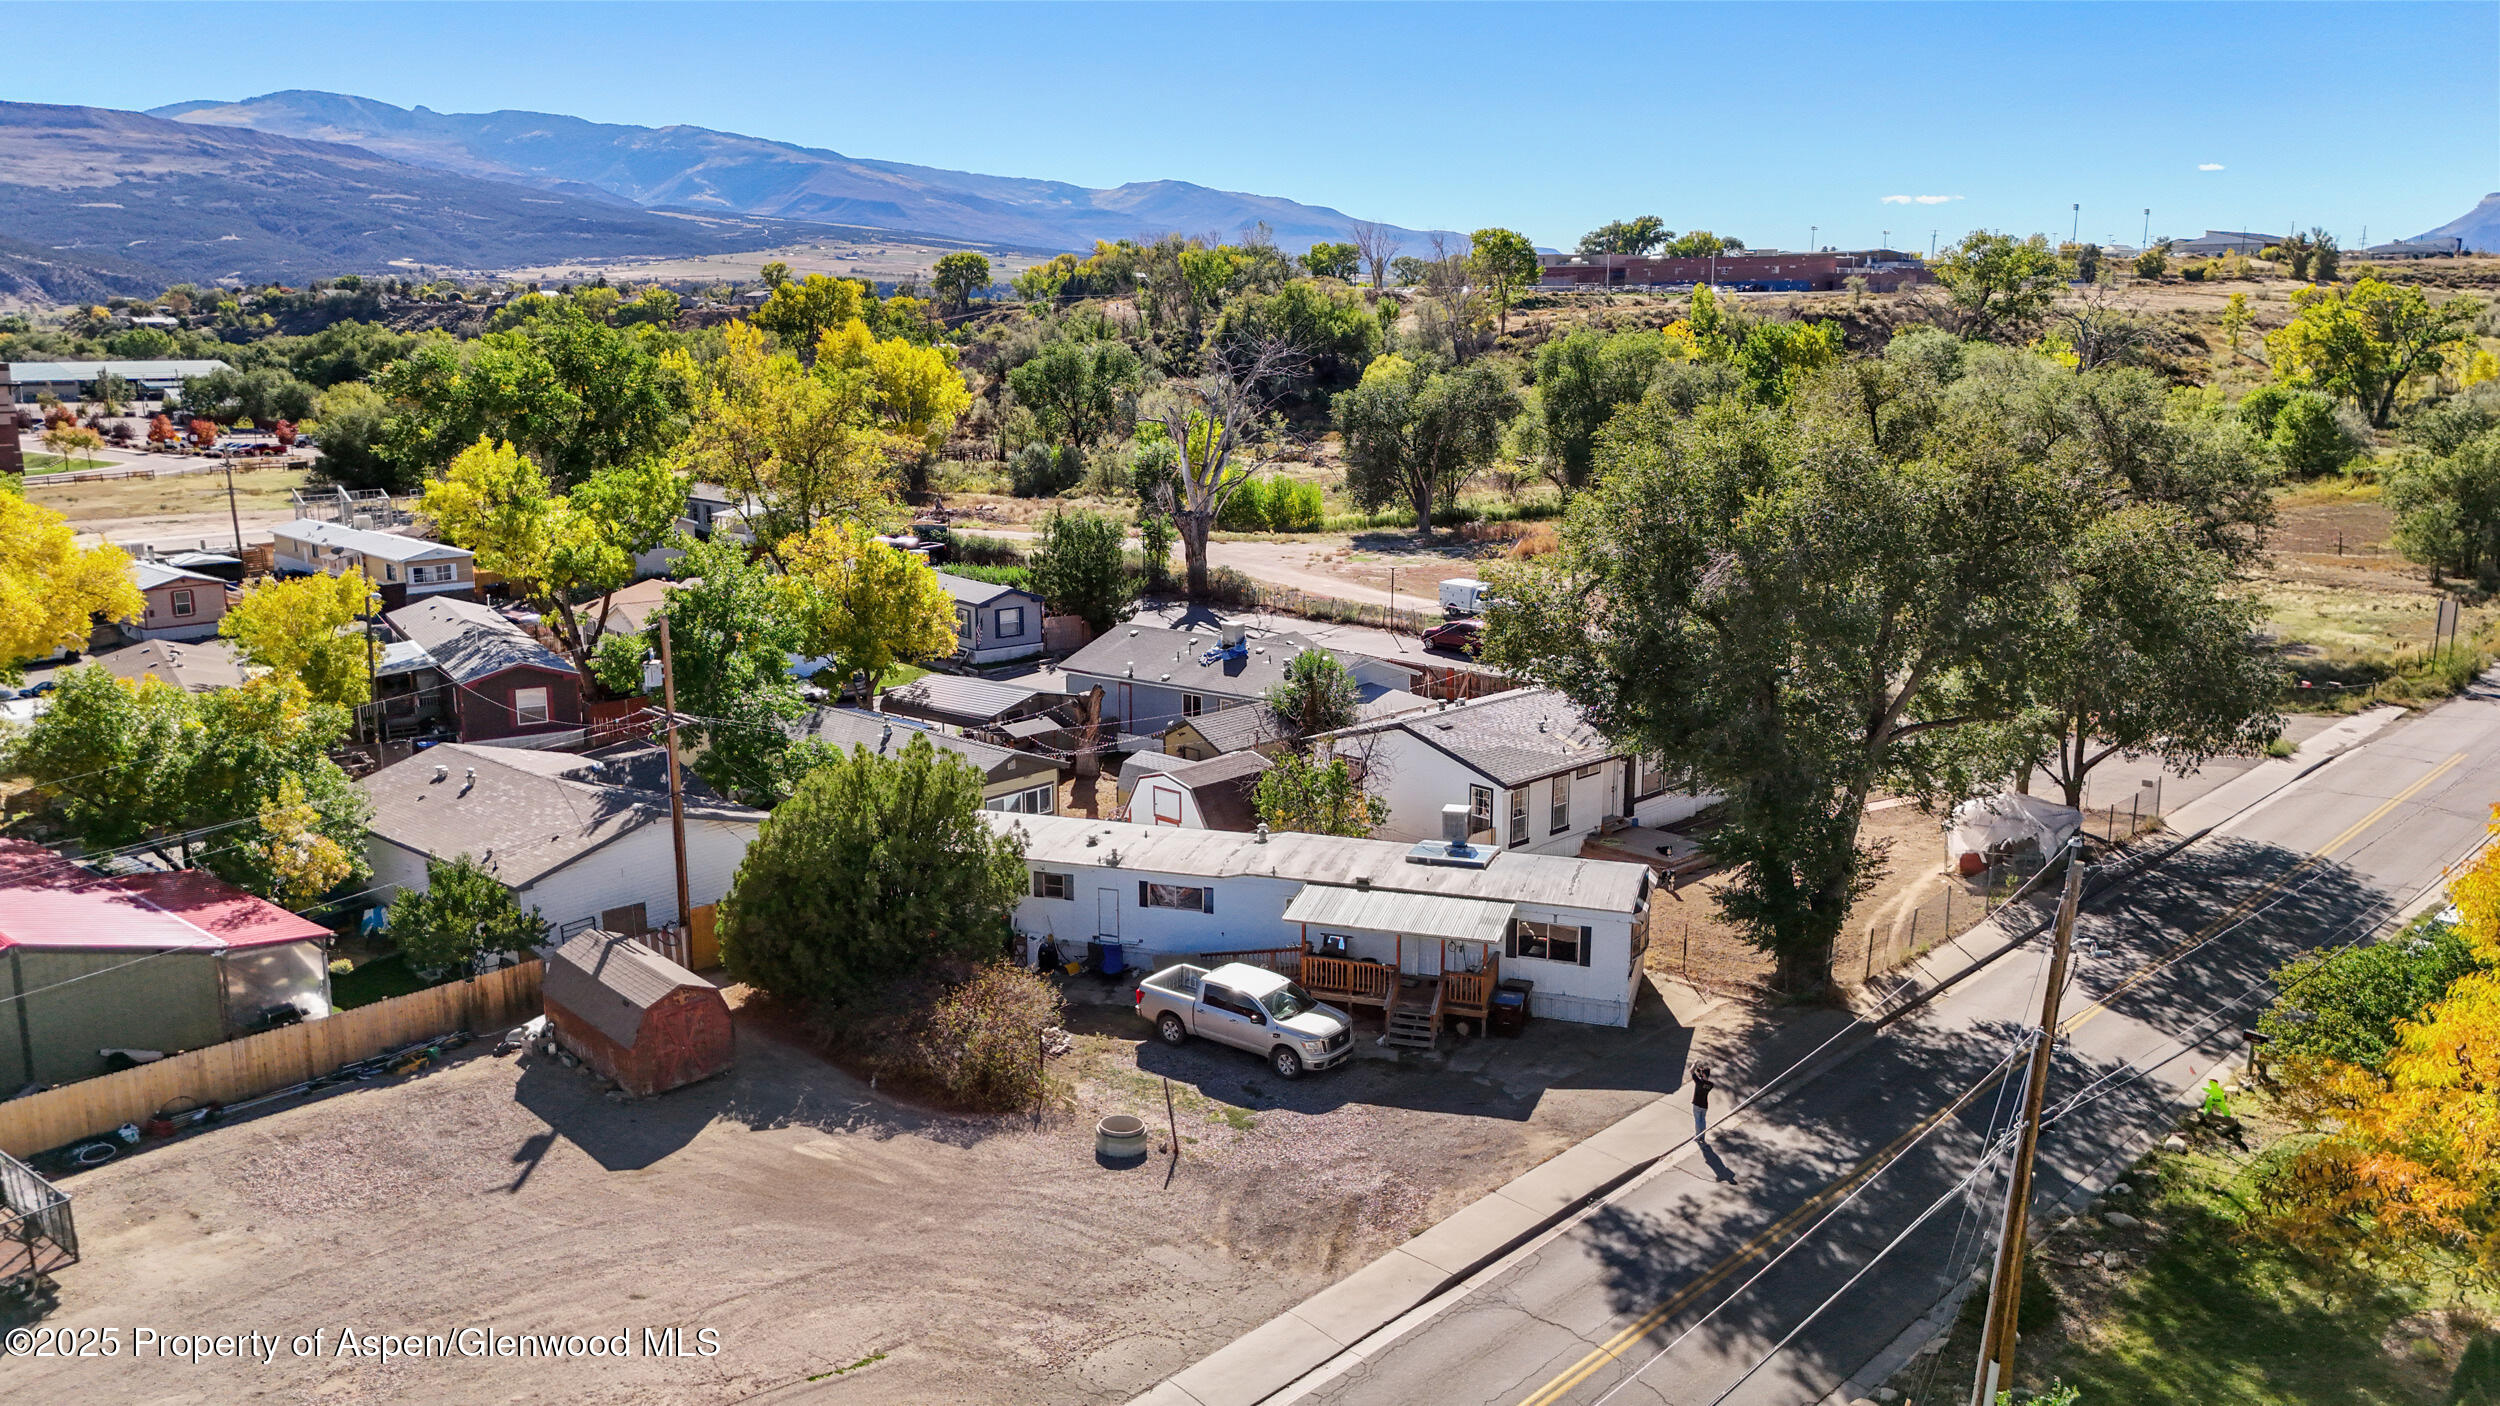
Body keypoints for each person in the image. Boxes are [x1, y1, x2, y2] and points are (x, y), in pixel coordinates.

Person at [1691, 1064, 1714, 1140]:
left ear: (1703, 1074)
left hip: (1697, 1104)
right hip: (1704, 1105)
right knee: (1703, 1120)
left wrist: (1694, 1063)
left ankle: (1697, 1136)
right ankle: (1702, 1136)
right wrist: (1700, 1071)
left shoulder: (1699, 1082)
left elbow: (1691, 1071)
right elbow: (1702, 1079)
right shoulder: (1710, 1085)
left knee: (1697, 1120)